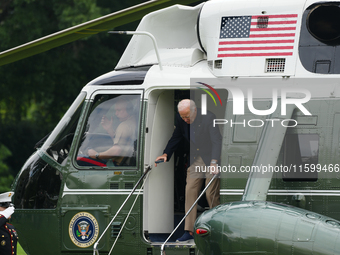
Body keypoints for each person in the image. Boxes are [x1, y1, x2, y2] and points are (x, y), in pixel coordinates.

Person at [154, 99, 222, 242]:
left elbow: (217, 140)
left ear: (194, 110)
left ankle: (218, 228)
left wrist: (214, 162)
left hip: (211, 158)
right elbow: (176, 136)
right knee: (190, 191)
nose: (185, 120)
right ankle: (189, 230)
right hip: (196, 158)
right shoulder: (181, 119)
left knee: (210, 193)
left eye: (187, 117)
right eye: (182, 117)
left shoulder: (209, 117)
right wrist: (166, 153)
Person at [87, 97, 137, 166]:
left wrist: (96, 155)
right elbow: (122, 144)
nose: (116, 114)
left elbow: (117, 151)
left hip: (117, 166)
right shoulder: (134, 122)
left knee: (81, 159)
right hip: (126, 164)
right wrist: (110, 130)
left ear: (129, 110)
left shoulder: (124, 126)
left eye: (119, 110)